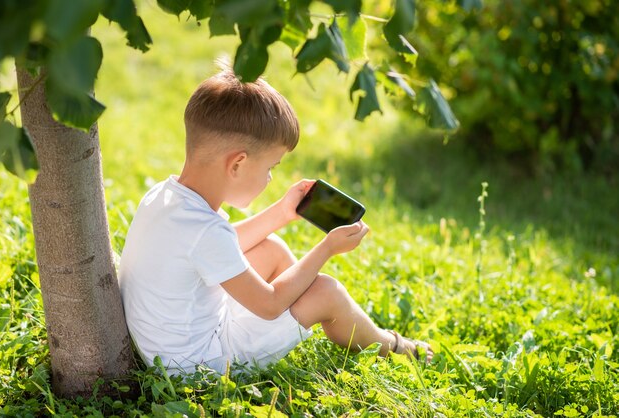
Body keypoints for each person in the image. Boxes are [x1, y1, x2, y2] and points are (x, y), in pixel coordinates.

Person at [118, 68, 433, 375]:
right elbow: (268, 305)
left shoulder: (165, 196)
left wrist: (283, 212)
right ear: (238, 163)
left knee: (272, 249)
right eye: (271, 167)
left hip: (172, 341)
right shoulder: (206, 232)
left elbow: (218, 247)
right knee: (326, 291)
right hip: (200, 363)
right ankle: (390, 344)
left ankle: (302, 314)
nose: (270, 178)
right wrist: (326, 249)